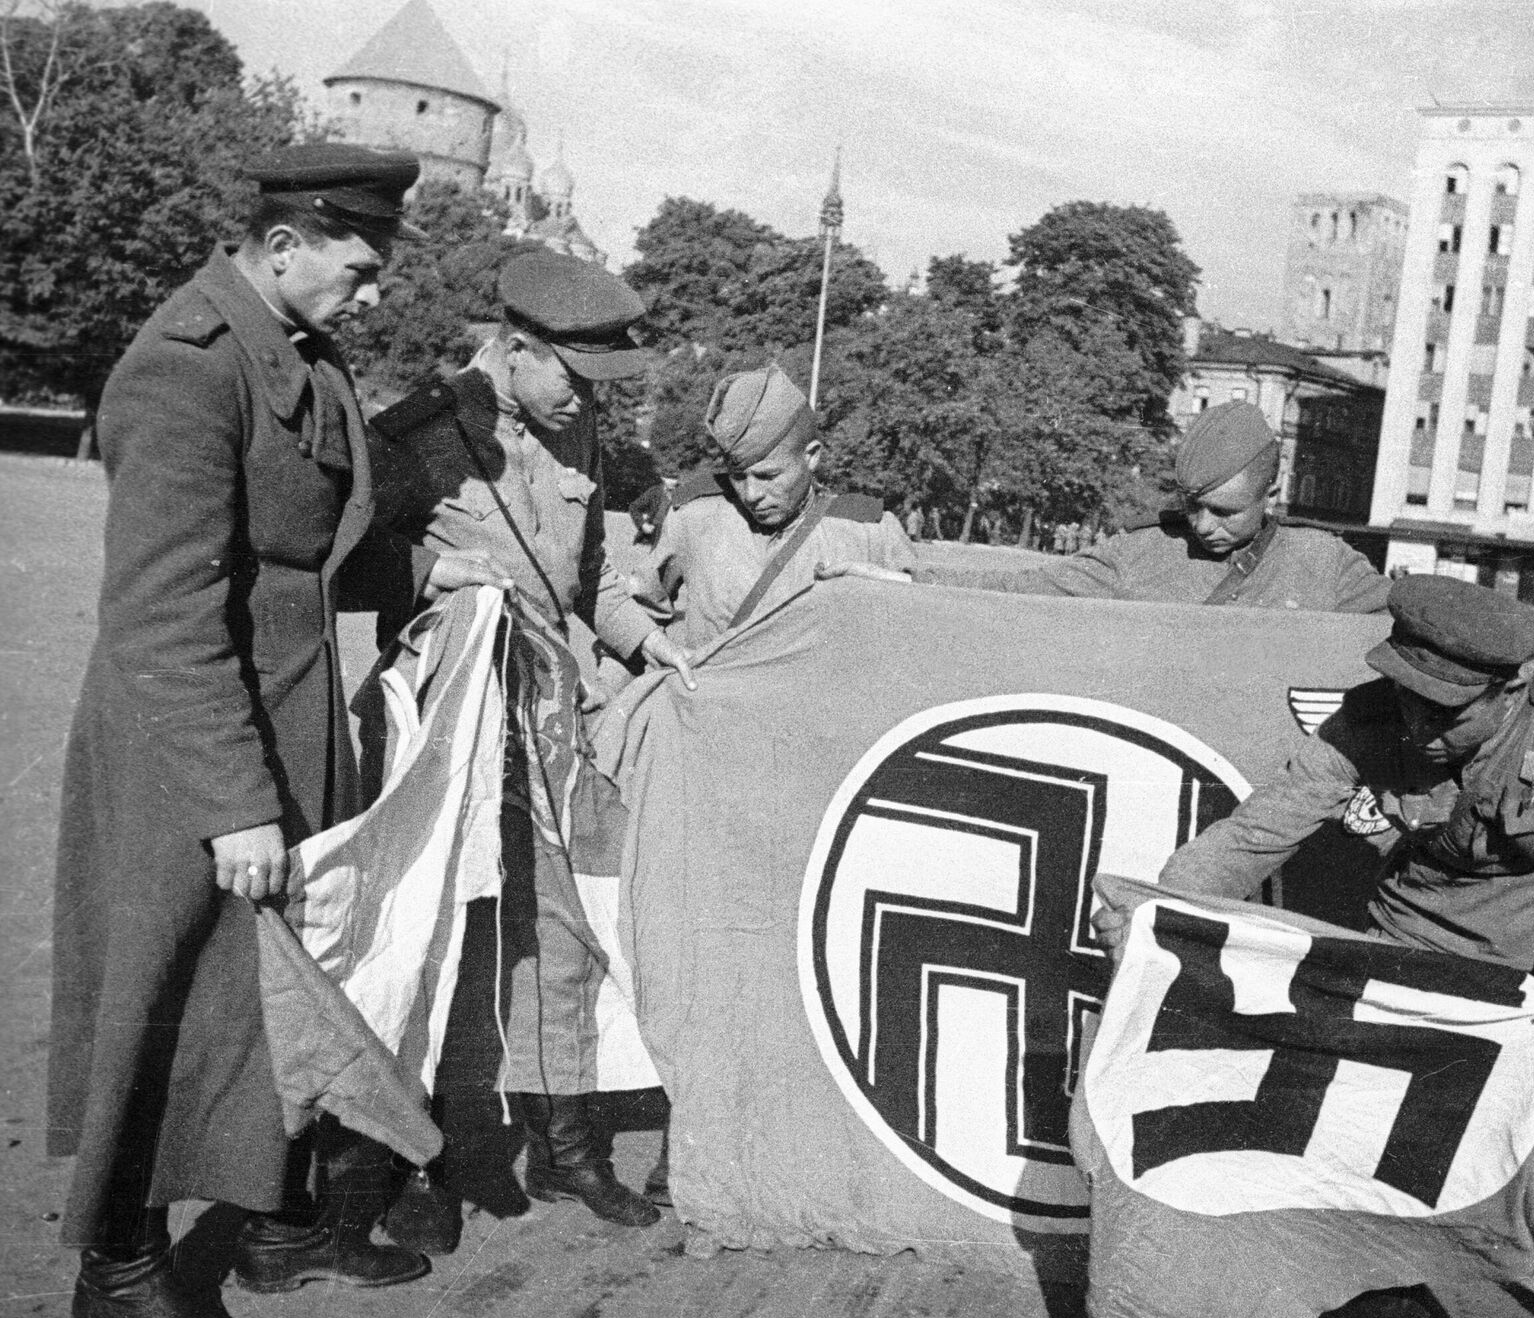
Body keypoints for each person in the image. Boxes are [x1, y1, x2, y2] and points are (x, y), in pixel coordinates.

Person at [47, 145, 511, 1318]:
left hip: (289, 712)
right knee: (162, 995)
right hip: (184, 741)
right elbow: (158, 613)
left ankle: (276, 1224)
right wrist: (233, 802)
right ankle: (123, 1264)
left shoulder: (303, 352)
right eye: (356, 269)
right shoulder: (182, 368)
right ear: (286, 242)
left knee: (287, 983)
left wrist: (426, 571)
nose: (369, 292)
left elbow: (310, 545)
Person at [1096, 575, 1534, 1318]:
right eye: (1405, 694)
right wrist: (1162, 914)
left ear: (1512, 689)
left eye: (1444, 710)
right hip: (1422, 959)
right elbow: (1255, 836)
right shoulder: (1369, 721)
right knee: (1368, 1164)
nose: (1415, 727)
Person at [366, 252, 691, 1243]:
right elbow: (344, 551)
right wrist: (427, 567)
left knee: (561, 931)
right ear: (514, 349)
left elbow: (589, 579)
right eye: (575, 377)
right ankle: (417, 1163)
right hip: (447, 721)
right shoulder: (418, 432)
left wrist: (650, 643)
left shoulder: (574, 420)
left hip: (550, 721)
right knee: (439, 937)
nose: (589, 402)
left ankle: (566, 1147)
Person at [917, 400, 1388, 611]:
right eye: (1193, 507)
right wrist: (911, 578)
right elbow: (1024, 586)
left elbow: (1420, 622)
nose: (1203, 527)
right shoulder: (1138, 552)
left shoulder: (1325, 564)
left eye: (1225, 512)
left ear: (1274, 486)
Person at [623, 362, 917, 652]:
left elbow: (935, 636)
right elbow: (638, 618)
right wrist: (608, 690)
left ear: (811, 456)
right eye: (738, 476)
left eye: (768, 476)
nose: (751, 494)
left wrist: (901, 591)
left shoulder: (870, 534)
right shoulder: (695, 517)